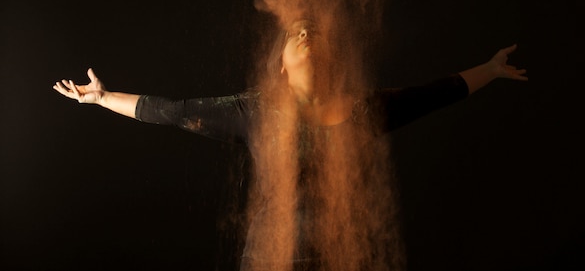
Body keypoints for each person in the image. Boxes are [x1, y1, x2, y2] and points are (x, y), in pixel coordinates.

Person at [53, 19, 527, 270]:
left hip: (341, 255)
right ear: (280, 63)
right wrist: (102, 97)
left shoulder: (364, 108)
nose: (306, 34)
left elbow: (435, 94)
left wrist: (489, 69)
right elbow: (174, 111)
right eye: (295, 33)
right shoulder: (254, 109)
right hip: (273, 257)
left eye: (313, 32)